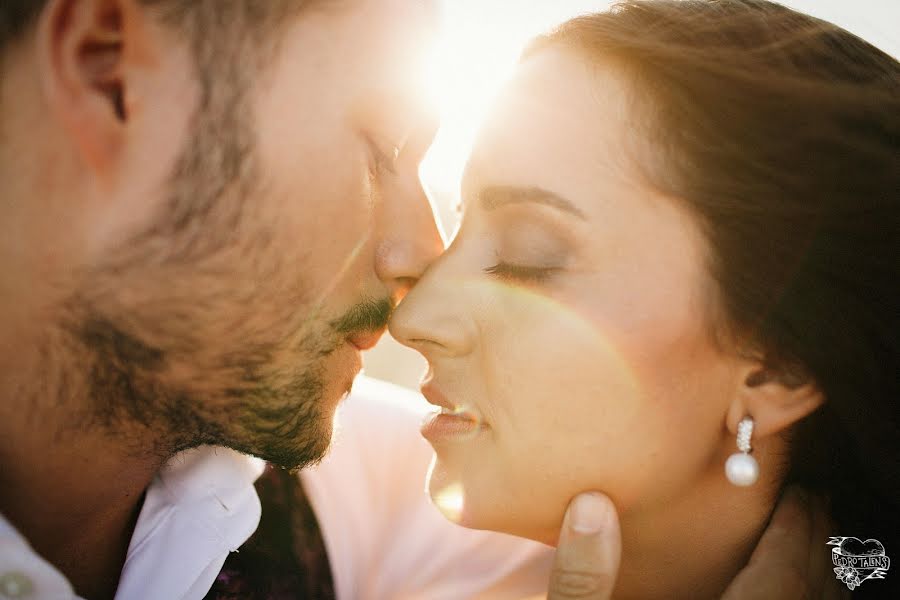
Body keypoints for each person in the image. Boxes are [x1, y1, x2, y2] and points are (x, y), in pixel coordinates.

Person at [0, 0, 846, 598]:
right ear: (109, 73)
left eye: (526, 254)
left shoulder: (377, 501)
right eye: (380, 153)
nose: (417, 272)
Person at [390, 1, 899, 599]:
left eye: (528, 255)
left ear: (773, 367)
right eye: (460, 227)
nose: (413, 318)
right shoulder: (369, 535)